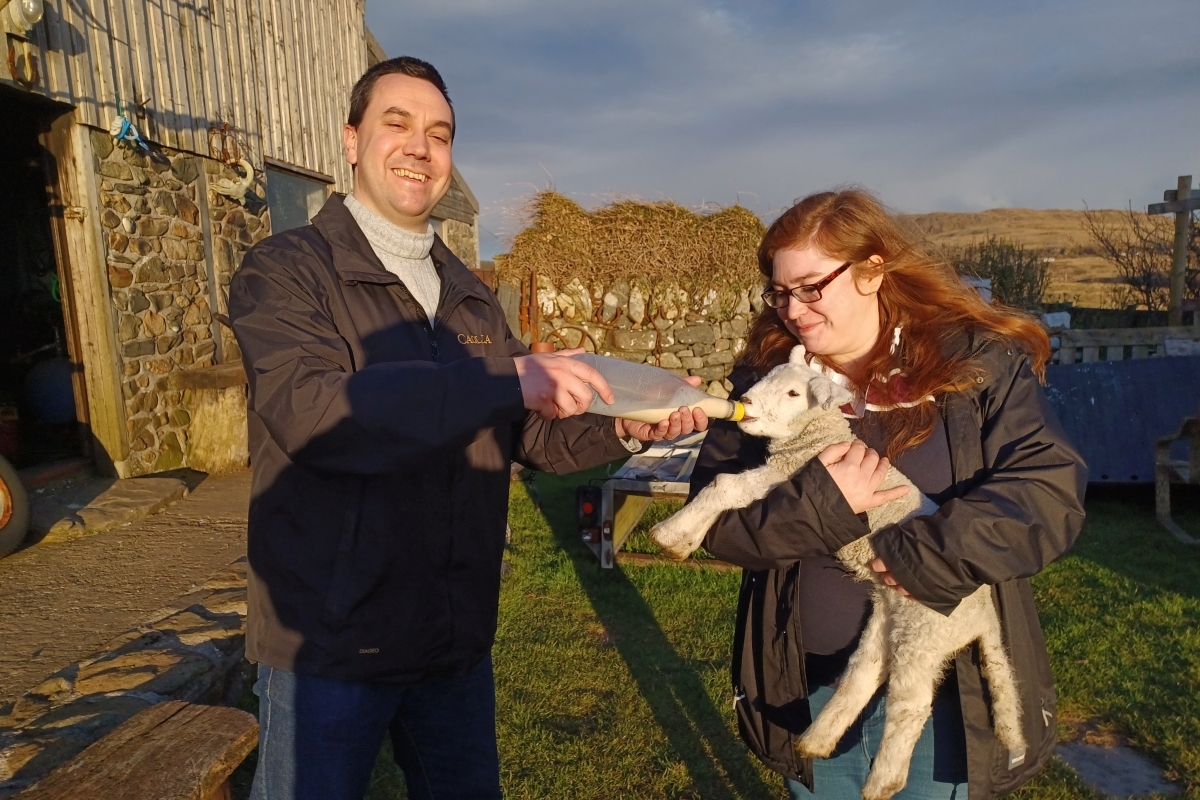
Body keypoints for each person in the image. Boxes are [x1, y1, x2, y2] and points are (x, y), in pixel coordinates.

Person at [228, 56, 706, 800]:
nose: (421, 146)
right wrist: (507, 378)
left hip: (451, 636)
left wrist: (629, 429)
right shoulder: (285, 271)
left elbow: (527, 436)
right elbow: (316, 416)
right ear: (351, 142)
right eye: (398, 124)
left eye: (440, 133)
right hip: (329, 642)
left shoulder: (469, 296)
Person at [690, 189, 1086, 800]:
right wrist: (821, 504)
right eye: (780, 292)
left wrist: (923, 553)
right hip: (809, 680)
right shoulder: (767, 383)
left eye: (811, 287)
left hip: (941, 700)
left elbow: (1047, 492)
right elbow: (719, 527)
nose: (793, 310)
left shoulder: (973, 364)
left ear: (873, 270)